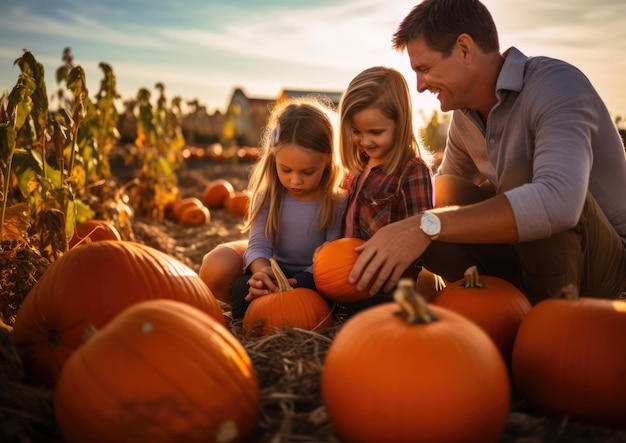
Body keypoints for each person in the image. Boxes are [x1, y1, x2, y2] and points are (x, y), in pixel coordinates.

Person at [348, 0, 626, 305]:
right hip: (526, 261)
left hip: (601, 268)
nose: (419, 86)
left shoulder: (557, 85)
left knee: (522, 176)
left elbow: (560, 201)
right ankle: (486, 307)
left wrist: (424, 226)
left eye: (424, 69)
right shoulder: (465, 119)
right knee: (441, 191)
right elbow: (443, 197)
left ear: (465, 49)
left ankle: (548, 321)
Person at [221, 97, 346, 319]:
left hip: (314, 275)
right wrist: (262, 272)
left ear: (327, 160)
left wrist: (298, 281)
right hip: (274, 270)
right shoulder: (268, 197)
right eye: (286, 170)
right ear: (274, 157)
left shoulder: (336, 202)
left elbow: (331, 251)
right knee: (242, 290)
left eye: (307, 172)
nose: (295, 180)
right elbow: (258, 246)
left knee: (317, 293)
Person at [333, 66, 434, 314]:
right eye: (356, 131)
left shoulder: (412, 172)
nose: (365, 141)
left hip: (388, 286)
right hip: (345, 275)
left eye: (375, 132)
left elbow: (420, 234)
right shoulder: (358, 166)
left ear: (400, 123)